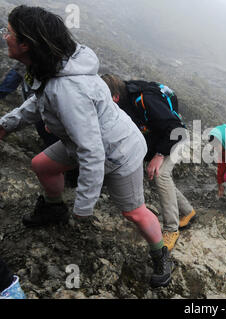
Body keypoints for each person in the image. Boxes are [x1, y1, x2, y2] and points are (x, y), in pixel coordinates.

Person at [0, 5, 171, 288]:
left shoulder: (68, 91)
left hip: (119, 152)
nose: (5, 36)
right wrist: (7, 124)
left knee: (133, 211)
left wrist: (84, 206)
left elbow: (92, 152)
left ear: (27, 44)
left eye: (10, 33)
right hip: (83, 140)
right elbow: (40, 100)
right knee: (41, 165)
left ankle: (160, 253)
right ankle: (54, 208)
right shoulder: (55, 67)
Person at [101, 74, 195, 252]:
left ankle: (171, 229)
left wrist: (159, 155)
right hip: (160, 137)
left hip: (175, 136)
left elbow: (176, 130)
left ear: (115, 97)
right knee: (157, 175)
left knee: (160, 174)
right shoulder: (124, 99)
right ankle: (188, 211)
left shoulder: (145, 100)